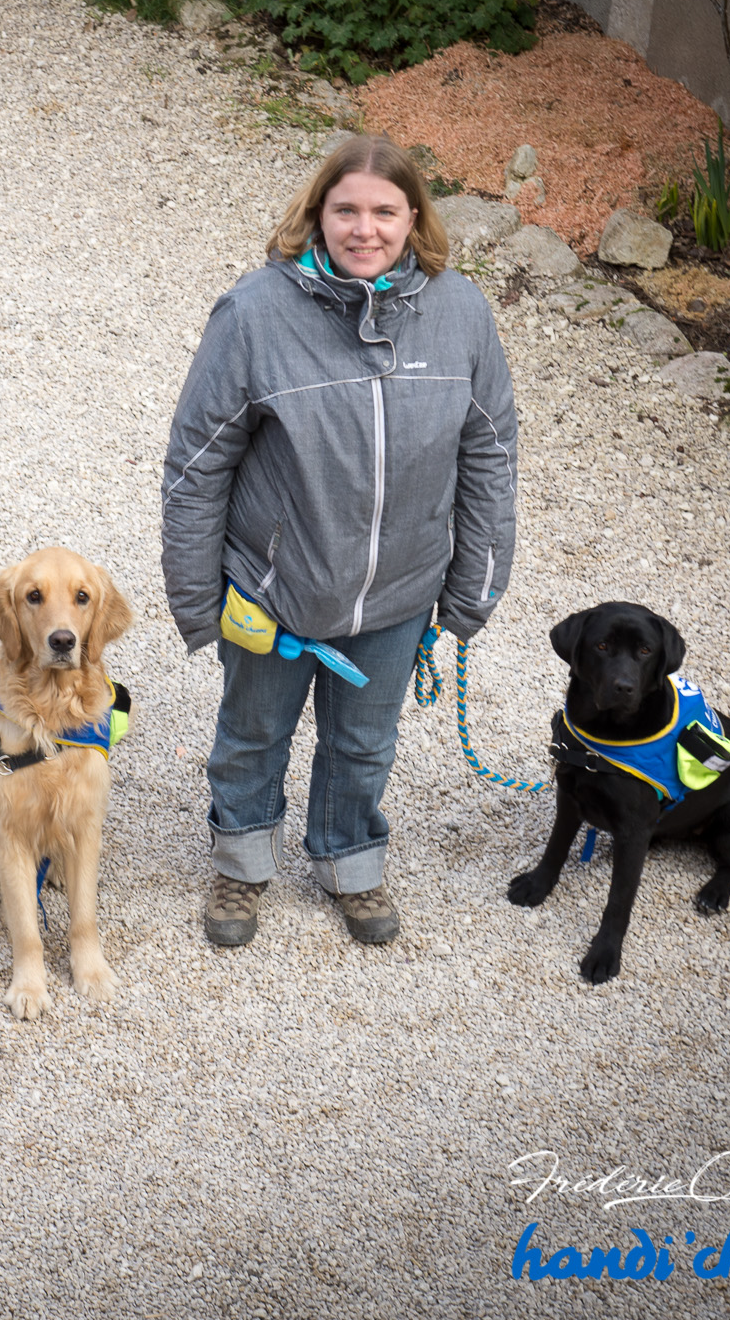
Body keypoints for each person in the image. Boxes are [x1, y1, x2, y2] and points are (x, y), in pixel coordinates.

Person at [160, 135, 519, 949]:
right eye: (346, 209)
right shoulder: (255, 313)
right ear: (317, 214)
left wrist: (473, 587)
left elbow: (492, 452)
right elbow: (197, 461)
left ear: (413, 218)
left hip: (399, 590)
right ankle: (242, 862)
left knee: (364, 743)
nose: (365, 229)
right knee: (253, 735)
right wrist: (198, 596)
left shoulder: (460, 312)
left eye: (385, 211)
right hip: (275, 592)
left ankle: (349, 860)